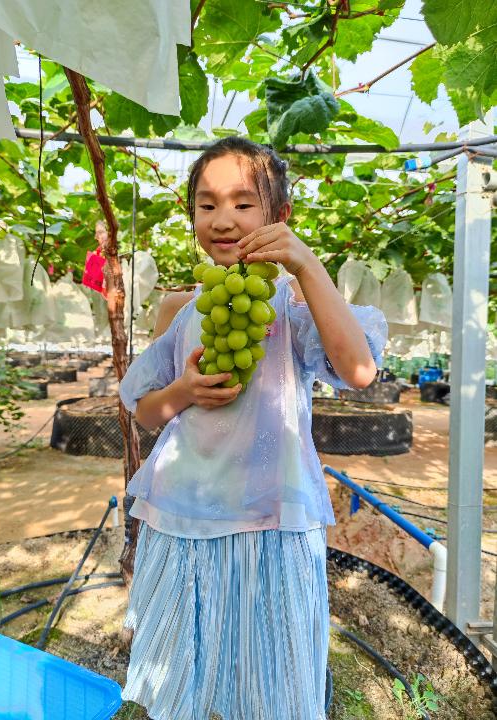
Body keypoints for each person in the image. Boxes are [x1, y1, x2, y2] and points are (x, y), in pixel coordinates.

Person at [119, 136, 387, 720]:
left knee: (271, 687)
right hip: (181, 520)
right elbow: (145, 414)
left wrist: (306, 264)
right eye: (207, 204)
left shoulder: (295, 305)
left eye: (244, 203)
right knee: (182, 684)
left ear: (280, 216)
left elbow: (359, 370)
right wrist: (182, 393)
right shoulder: (182, 310)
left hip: (271, 523)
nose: (223, 219)